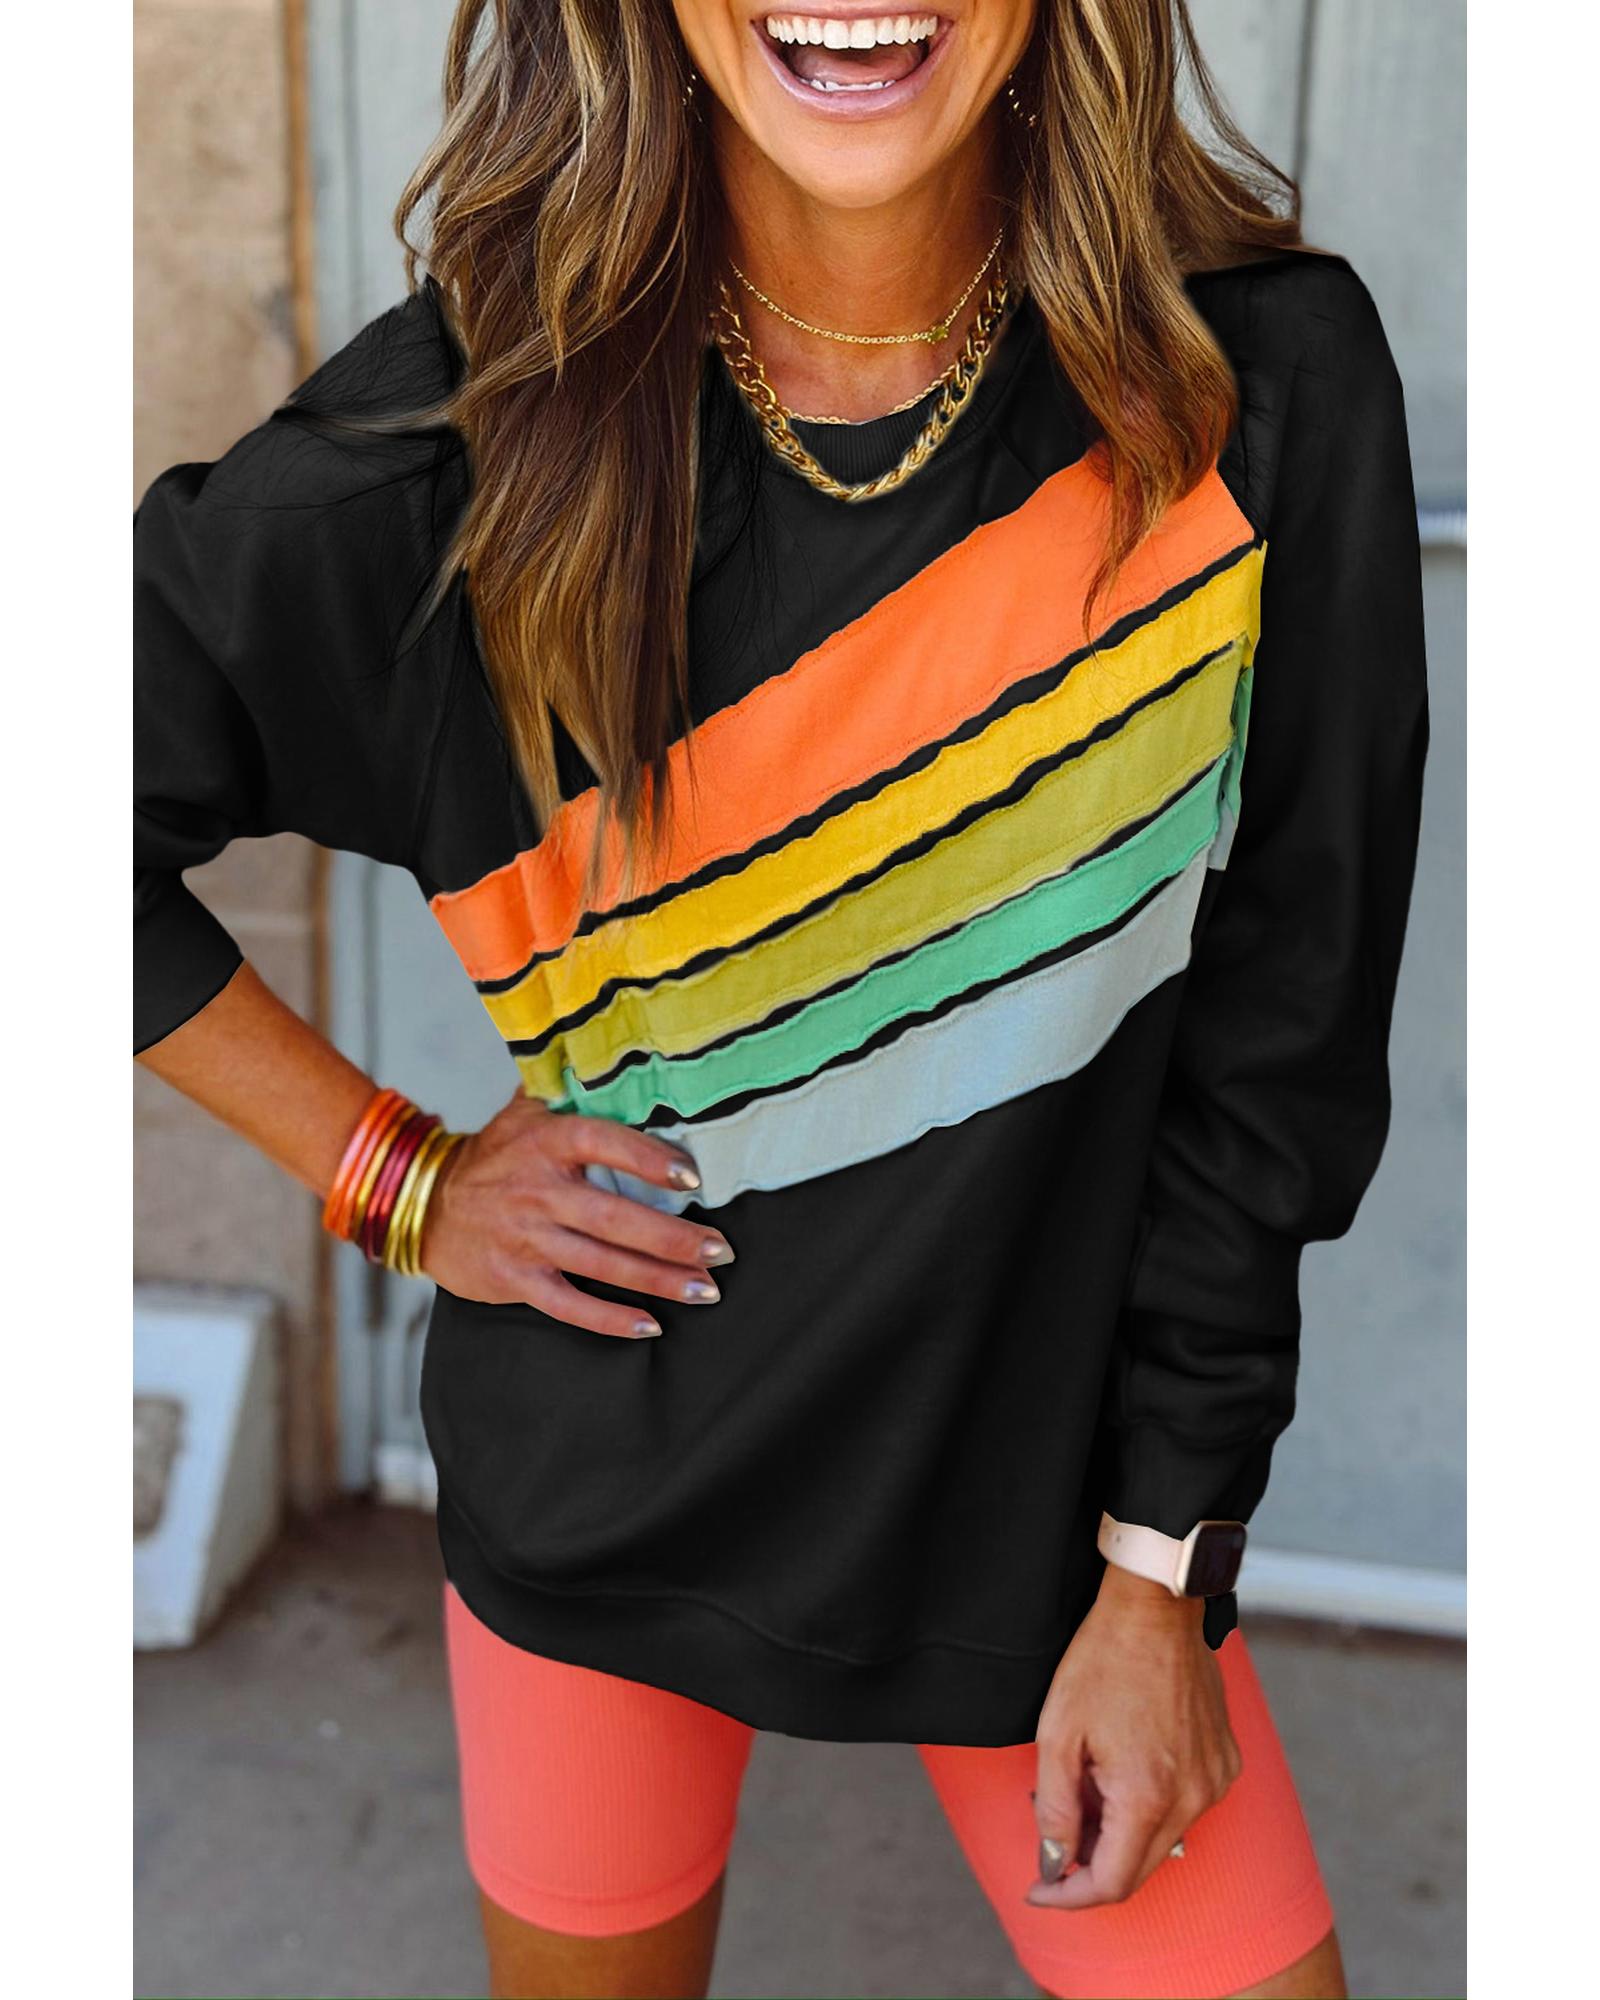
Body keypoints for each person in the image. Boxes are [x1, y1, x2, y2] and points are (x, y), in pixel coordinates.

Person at [133, 3, 1430, 1995]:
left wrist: (1160, 1567)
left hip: (1049, 1525)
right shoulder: (471, 443)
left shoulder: (1251, 386)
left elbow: (1283, 1045)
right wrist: (394, 1174)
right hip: (608, 1492)